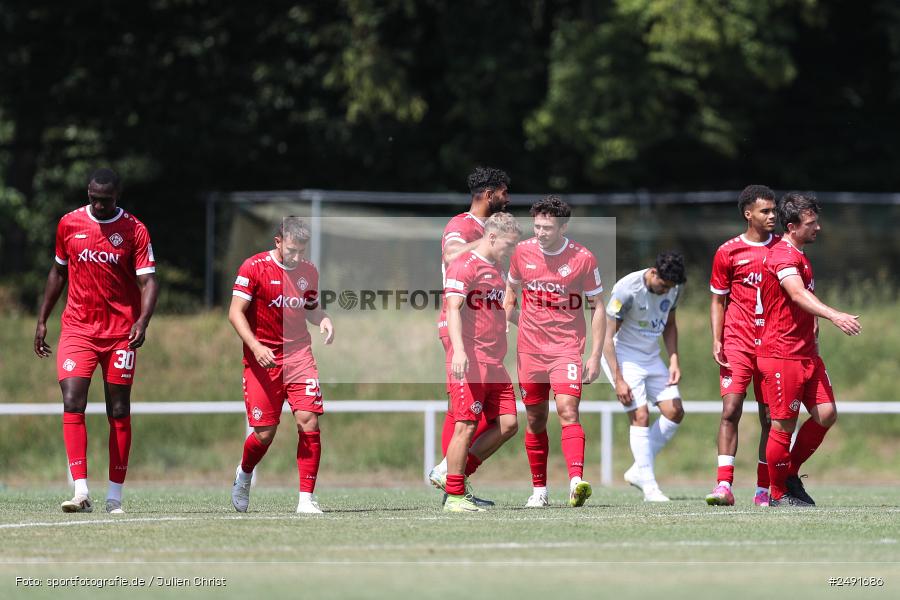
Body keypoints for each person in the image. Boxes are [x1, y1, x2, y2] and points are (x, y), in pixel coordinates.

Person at [34, 168, 159, 514]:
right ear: (87, 193)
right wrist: (43, 319)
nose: (98, 205)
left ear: (117, 196)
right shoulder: (69, 224)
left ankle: (115, 496)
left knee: (118, 409)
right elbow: (58, 272)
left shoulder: (134, 230)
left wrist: (142, 322)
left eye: (105, 200)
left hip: (120, 333)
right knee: (73, 400)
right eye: (93, 198)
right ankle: (81, 491)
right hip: (78, 329)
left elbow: (149, 282)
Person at [756, 193, 860, 507]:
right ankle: (777, 493)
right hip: (780, 353)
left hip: (805, 353)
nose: (818, 228)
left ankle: (789, 474)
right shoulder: (783, 256)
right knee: (783, 424)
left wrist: (813, 327)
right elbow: (797, 294)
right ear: (792, 226)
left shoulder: (799, 254)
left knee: (826, 414)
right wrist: (834, 315)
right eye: (811, 223)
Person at [504, 196, 605, 508]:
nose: (540, 232)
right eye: (536, 226)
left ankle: (576, 482)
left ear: (563, 226)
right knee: (535, 419)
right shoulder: (522, 252)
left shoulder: (583, 258)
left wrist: (594, 355)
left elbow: (597, 307)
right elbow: (510, 291)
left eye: (547, 227)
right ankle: (540, 491)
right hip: (529, 352)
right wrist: (511, 319)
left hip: (566, 349)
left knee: (567, 410)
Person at [229, 217, 334, 514]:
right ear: (278, 241)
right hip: (263, 359)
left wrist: (323, 319)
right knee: (264, 433)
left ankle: (306, 499)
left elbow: (312, 309)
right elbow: (235, 313)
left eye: (302, 251)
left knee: (309, 421)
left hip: (299, 356)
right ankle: (245, 473)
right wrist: (255, 346)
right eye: (292, 250)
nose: (297, 257)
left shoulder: (308, 272)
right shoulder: (253, 267)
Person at [429, 167, 516, 507]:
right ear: (488, 193)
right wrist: (490, 238)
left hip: (488, 331)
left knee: (501, 421)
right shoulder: (463, 225)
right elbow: (452, 256)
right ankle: (452, 483)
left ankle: (453, 476)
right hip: (463, 330)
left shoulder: (492, 235)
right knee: (465, 413)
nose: (507, 199)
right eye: (504, 193)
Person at [442, 212, 522, 512]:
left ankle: (454, 474)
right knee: (465, 424)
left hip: (494, 360)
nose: (512, 250)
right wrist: (459, 351)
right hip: (471, 359)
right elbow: (452, 309)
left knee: (508, 424)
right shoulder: (464, 265)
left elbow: (505, 309)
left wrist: (533, 325)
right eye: (509, 244)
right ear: (491, 237)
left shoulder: (499, 269)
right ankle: (454, 495)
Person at [705, 185, 779, 507]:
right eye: (765, 211)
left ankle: (763, 489)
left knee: (769, 417)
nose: (772, 215)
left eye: (774, 210)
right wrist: (717, 337)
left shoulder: (785, 250)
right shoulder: (728, 252)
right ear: (748, 214)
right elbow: (717, 300)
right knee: (731, 409)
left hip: (774, 343)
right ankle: (724, 485)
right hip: (738, 341)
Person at [601, 252, 686, 502]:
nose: (665, 292)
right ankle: (650, 488)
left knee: (675, 411)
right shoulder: (626, 290)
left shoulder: (674, 288)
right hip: (623, 356)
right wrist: (618, 379)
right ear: (653, 272)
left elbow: (670, 325)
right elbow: (607, 339)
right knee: (640, 416)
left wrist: (673, 360)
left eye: (669, 288)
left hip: (651, 356)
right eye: (662, 286)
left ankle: (639, 470)